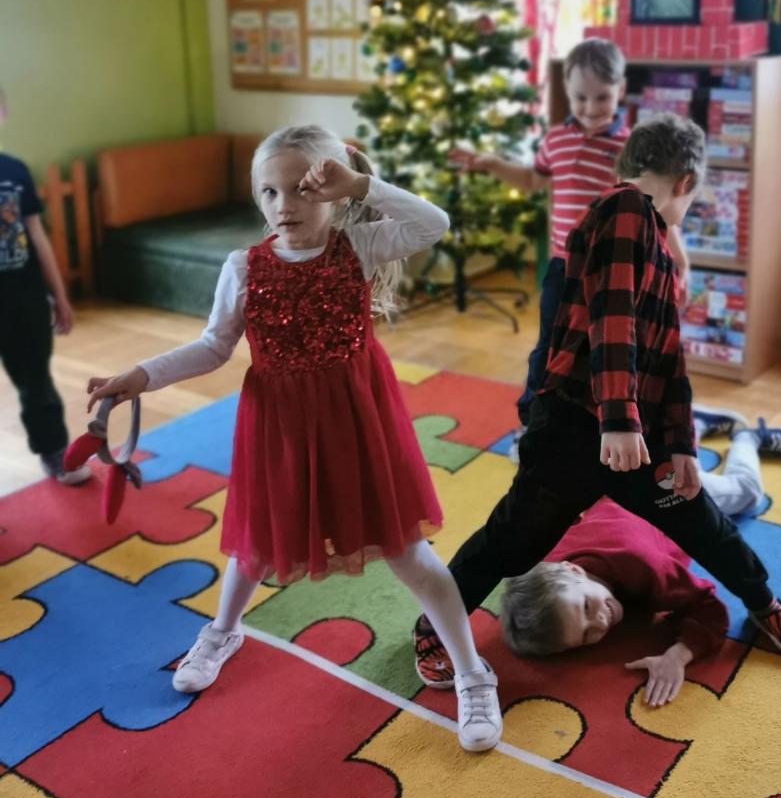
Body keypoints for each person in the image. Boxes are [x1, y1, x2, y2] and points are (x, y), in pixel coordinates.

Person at [87, 125, 502, 753]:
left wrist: (361, 185)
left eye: (302, 189)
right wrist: (140, 376)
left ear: (333, 190)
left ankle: (471, 671)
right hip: (279, 428)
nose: (284, 205)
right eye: (269, 192)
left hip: (359, 424)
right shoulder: (243, 267)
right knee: (256, 544)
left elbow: (434, 223)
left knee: (406, 549)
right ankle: (223, 631)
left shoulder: (360, 246)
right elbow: (212, 347)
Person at [413, 113, 781, 691]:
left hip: (634, 436)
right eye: (692, 198)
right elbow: (613, 319)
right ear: (686, 182)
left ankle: (764, 604)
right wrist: (619, 420)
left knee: (702, 523)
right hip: (578, 425)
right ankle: (434, 625)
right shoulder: (626, 209)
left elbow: (670, 359)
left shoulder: (660, 249)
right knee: (511, 539)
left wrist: (681, 444)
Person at [451, 39, 668, 460]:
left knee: (613, 352)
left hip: (613, 275)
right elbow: (534, 180)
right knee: (549, 350)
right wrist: (491, 163)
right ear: (567, 92)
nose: (591, 108)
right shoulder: (556, 140)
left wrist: (673, 258)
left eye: (602, 97)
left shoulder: (630, 148)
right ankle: (532, 426)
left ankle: (617, 427)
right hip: (563, 270)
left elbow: (652, 207)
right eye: (580, 97)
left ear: (621, 90)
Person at [499, 497, 728, 708]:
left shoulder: (643, 565)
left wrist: (676, 657)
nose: (600, 623)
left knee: (738, 492)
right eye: (586, 635)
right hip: (612, 497)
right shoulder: (552, 573)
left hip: (670, 495)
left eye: (586, 607)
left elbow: (710, 607)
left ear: (575, 570)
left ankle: (743, 464)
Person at [0, 91, 87, 485]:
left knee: (36, 380)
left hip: (24, 297)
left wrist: (59, 295)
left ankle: (54, 452)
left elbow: (37, 234)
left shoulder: (15, 171)